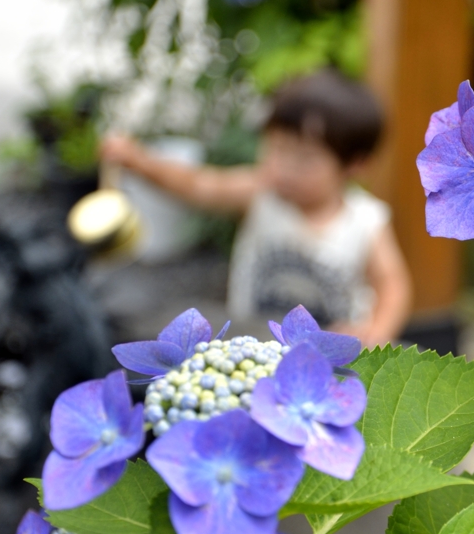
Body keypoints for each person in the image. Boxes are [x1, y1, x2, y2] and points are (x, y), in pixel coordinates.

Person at [99, 69, 412, 347]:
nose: (285, 167)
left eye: (304, 159)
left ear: (355, 165)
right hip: (252, 346)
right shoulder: (260, 192)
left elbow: (393, 285)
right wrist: (138, 161)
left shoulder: (364, 220)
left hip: (328, 361)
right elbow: (197, 185)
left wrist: (375, 330)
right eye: (277, 149)